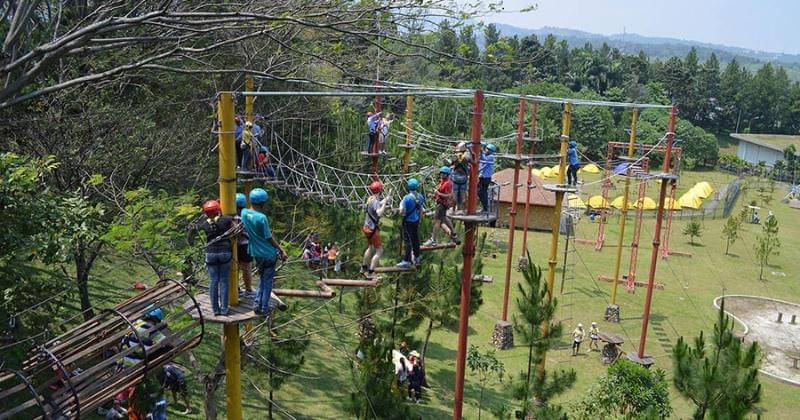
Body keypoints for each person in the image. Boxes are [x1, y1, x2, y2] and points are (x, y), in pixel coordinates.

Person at [241, 188, 288, 316]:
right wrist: (281, 250)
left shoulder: (244, 213)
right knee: (267, 282)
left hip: (256, 253)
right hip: (268, 253)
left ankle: (257, 303)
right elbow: (268, 237)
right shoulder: (262, 218)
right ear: (262, 203)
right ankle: (264, 308)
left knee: (262, 278)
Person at [188, 200, 235, 316]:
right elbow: (236, 229)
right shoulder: (226, 219)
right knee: (224, 281)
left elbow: (192, 232)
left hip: (211, 253)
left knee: (213, 281)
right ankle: (224, 309)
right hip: (225, 252)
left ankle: (215, 310)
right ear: (218, 210)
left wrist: (191, 243)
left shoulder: (204, 224)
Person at [362, 181, 391, 278]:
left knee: (370, 247)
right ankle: (371, 272)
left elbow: (377, 204)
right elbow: (379, 213)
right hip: (372, 229)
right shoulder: (375, 201)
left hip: (366, 227)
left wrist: (385, 199)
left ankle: (364, 267)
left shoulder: (370, 198)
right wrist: (385, 203)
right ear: (380, 190)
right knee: (379, 250)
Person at [424, 166, 459, 247]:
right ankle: (454, 234)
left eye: (443, 174)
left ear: (447, 175)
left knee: (437, 221)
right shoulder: (442, 182)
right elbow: (440, 194)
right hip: (441, 203)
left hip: (441, 205)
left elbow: (449, 195)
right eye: (441, 173)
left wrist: (438, 193)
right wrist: (434, 195)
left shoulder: (447, 184)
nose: (441, 175)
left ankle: (433, 239)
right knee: (444, 218)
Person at [397, 178, 425, 269]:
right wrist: (420, 220)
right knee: (415, 240)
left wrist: (400, 207)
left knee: (408, 241)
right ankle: (417, 258)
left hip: (408, 222)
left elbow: (402, 211)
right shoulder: (420, 196)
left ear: (408, 187)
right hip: (416, 221)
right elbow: (421, 210)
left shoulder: (406, 198)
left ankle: (407, 261)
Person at [235, 193, 255, 299]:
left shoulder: (231, 216)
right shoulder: (248, 215)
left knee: (235, 268)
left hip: (234, 246)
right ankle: (248, 290)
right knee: (247, 268)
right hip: (246, 245)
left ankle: (236, 288)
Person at [451, 142, 472, 213]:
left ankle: (453, 210)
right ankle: (463, 211)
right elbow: (475, 162)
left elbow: (451, 164)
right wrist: (472, 153)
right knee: (463, 196)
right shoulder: (467, 157)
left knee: (454, 196)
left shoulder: (455, 157)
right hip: (464, 178)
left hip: (456, 178)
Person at [478, 143, 497, 213]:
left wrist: (480, 151)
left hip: (486, 178)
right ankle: (485, 208)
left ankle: (486, 208)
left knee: (482, 193)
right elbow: (481, 165)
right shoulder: (485, 156)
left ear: (491, 151)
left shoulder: (491, 157)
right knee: (480, 193)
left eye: (488, 149)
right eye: (486, 149)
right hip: (482, 177)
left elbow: (484, 159)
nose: (486, 150)